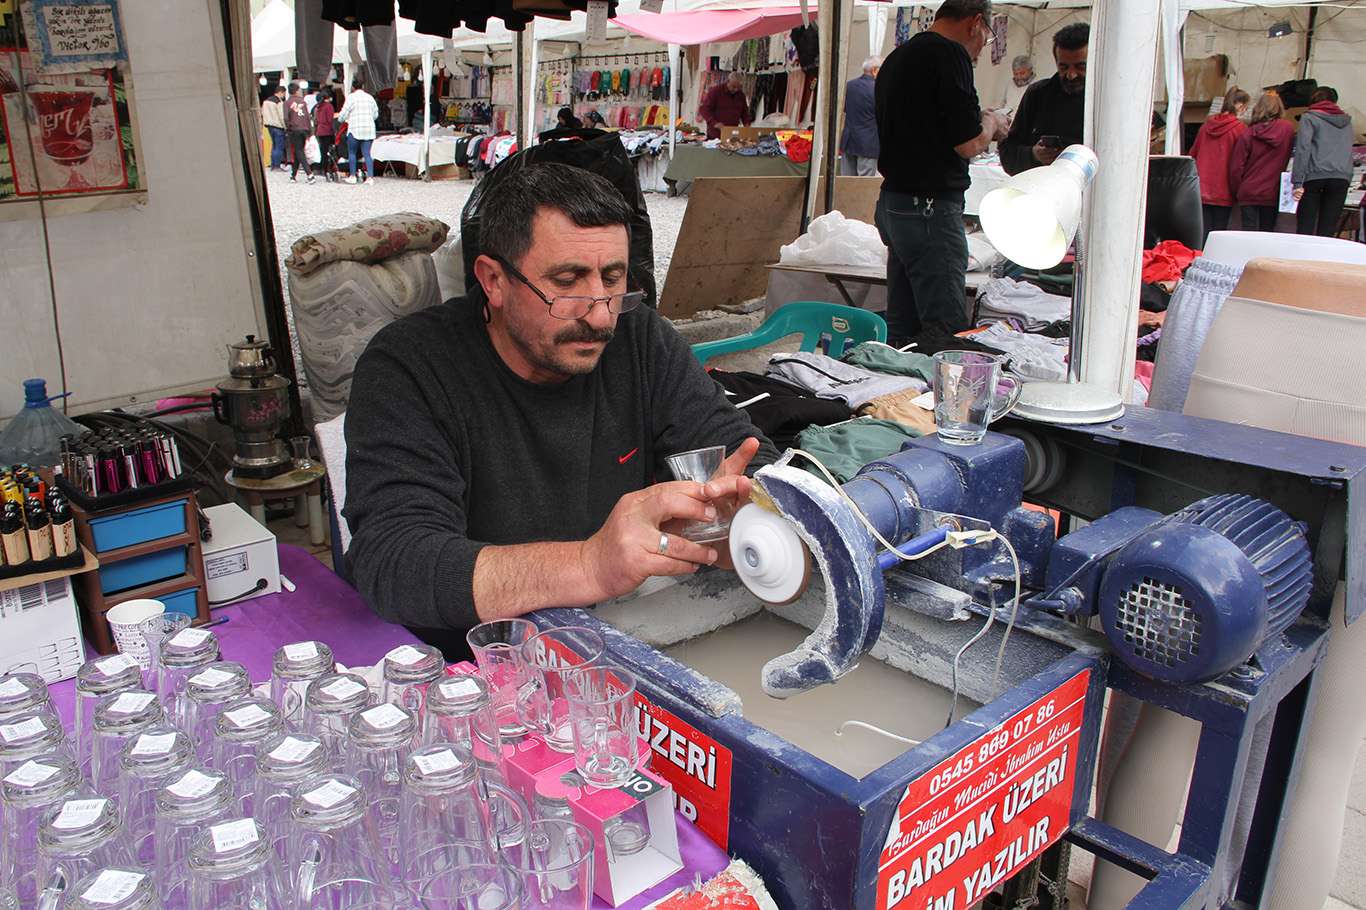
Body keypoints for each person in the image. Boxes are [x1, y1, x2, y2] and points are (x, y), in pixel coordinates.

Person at [343, 163, 779, 654]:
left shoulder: (638, 338)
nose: (600, 315)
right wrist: (591, 563)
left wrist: (734, 512)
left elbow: (745, 455)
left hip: (612, 642)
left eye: (613, 279)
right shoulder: (410, 366)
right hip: (468, 667)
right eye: (568, 282)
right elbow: (394, 561)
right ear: (493, 280)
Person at [874, 0, 1008, 346]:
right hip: (928, 208)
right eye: (987, 36)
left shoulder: (898, 57)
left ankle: (895, 378)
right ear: (976, 23)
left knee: (902, 329)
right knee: (945, 332)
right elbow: (968, 143)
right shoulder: (949, 55)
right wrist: (992, 123)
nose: (983, 47)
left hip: (895, 203)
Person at [998, 23, 1088, 175]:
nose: (1071, 75)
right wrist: (1033, 154)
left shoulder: (1109, 100)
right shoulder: (1037, 95)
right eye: (1064, 67)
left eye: (1080, 67)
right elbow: (1009, 154)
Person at [1292, 86, 1355, 237]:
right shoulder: (1347, 121)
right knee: (1327, 231)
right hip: (1341, 177)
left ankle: (1303, 253)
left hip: (1314, 176)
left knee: (1305, 229)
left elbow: (1303, 149)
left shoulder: (1309, 118)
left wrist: (1297, 182)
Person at [1228, 91, 1295, 232]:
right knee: (1267, 234)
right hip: (1273, 191)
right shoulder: (1288, 130)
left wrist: (1237, 192)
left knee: (1248, 233)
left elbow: (1236, 167)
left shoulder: (1248, 133)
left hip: (1248, 191)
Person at [1190, 85, 1250, 240]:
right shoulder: (1240, 129)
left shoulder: (1205, 126)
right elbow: (1240, 163)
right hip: (1224, 190)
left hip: (1201, 189)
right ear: (1240, 106)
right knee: (1218, 236)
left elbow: (1192, 155)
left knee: (1201, 234)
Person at [839, 57, 881, 176]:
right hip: (869, 144)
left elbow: (844, 110)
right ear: (875, 70)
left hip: (849, 141)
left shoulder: (849, 86)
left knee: (846, 180)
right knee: (864, 182)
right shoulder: (878, 89)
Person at [337, 77, 379, 185]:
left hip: (355, 129)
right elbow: (375, 114)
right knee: (367, 154)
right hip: (369, 129)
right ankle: (370, 177)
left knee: (352, 153)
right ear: (363, 86)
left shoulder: (351, 98)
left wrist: (340, 119)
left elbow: (343, 114)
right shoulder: (370, 98)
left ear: (353, 87)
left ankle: (352, 176)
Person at [698, 72, 751, 140]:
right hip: (715, 134)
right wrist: (714, 123)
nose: (736, 89)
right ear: (728, 81)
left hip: (732, 133)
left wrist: (747, 124)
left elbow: (744, 113)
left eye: (738, 87)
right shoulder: (715, 91)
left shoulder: (741, 95)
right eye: (733, 87)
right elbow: (704, 109)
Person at [284, 81, 314, 184]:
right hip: (305, 128)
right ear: (297, 91)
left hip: (294, 129)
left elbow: (286, 118)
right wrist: (310, 131)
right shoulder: (303, 102)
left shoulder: (287, 103)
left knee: (299, 151)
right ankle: (293, 175)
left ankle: (309, 174)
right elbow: (307, 117)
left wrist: (288, 127)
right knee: (298, 151)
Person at [313, 87, 338, 183]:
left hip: (320, 131)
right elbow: (330, 120)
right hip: (328, 131)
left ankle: (322, 169)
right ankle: (329, 169)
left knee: (322, 151)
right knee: (330, 151)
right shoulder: (329, 106)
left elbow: (315, 120)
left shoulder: (317, 107)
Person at [262, 84, 287, 171]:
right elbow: (281, 116)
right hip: (278, 126)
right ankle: (277, 166)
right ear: (280, 92)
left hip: (269, 126)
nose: (284, 96)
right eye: (284, 93)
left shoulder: (266, 101)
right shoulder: (278, 102)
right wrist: (285, 126)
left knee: (274, 145)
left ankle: (273, 165)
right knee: (279, 147)